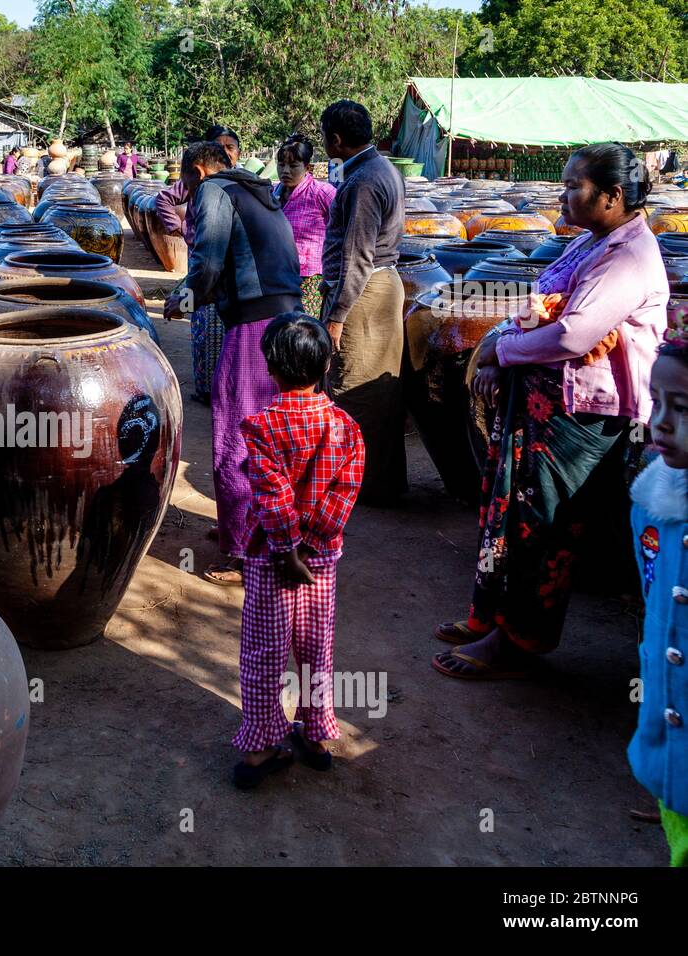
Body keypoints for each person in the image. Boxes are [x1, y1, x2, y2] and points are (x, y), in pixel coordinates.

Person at [433, 143, 669, 679]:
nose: (563, 195)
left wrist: (502, 350)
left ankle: (519, 640)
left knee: (543, 526)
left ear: (612, 197)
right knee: (508, 510)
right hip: (545, 408)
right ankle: (489, 615)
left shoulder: (630, 256)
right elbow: (533, 299)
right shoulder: (592, 242)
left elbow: (574, 332)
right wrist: (499, 352)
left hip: (586, 418)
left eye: (573, 186)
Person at [230, 313, 365, 789]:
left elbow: (272, 495)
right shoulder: (347, 427)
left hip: (272, 559)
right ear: (327, 364)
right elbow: (343, 494)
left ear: (271, 368)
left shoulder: (262, 426)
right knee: (316, 645)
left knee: (264, 651)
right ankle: (317, 735)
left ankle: (261, 747)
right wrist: (309, 545)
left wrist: (287, 549)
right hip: (321, 561)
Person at [163, 141, 303, 587]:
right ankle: (253, 527)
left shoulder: (214, 191)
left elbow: (207, 260)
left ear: (199, 172)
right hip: (287, 317)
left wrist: (182, 297)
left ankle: (243, 549)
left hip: (254, 325)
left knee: (238, 432)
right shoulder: (257, 189)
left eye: (185, 183)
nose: (185, 193)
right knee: (272, 430)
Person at [319, 99, 407, 505]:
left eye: (325, 137)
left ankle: (360, 486)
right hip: (380, 288)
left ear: (336, 139)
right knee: (377, 394)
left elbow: (357, 256)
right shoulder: (380, 168)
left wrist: (337, 315)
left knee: (352, 387)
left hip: (364, 294)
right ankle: (378, 484)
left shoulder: (363, 182)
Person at [628, 323, 688, 866]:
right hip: (669, 734)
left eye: (683, 409)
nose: (661, 422)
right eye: (656, 402)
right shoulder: (651, 502)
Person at [157, 126, 243, 404]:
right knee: (205, 330)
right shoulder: (201, 183)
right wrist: (180, 228)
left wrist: (187, 299)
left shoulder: (239, 183)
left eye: (230, 147)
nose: (226, 152)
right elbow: (164, 199)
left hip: (225, 268)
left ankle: (225, 389)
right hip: (205, 262)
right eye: (220, 147)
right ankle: (207, 389)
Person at [274, 133, 336, 317]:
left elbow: (346, 224)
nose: (285, 171)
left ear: (307, 167)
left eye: (293, 166)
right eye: (281, 165)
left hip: (309, 279)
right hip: (278, 275)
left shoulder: (322, 193)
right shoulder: (273, 192)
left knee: (303, 332)